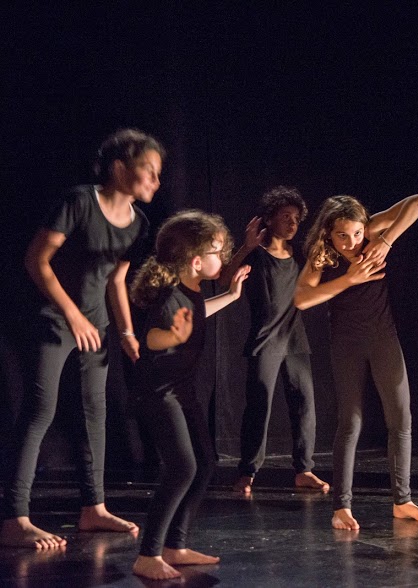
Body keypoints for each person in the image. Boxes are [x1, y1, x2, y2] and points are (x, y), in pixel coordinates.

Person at [1, 129, 164, 550]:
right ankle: (15, 517)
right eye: (148, 171)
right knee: (41, 409)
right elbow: (36, 260)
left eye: (158, 174)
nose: (155, 181)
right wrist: (72, 315)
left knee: (96, 411)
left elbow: (117, 279)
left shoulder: (140, 223)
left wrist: (126, 331)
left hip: (96, 325)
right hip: (53, 318)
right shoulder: (79, 202)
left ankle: (94, 508)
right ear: (118, 168)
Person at [294, 193, 418, 531]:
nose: (352, 242)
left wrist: (385, 239)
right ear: (329, 233)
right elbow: (300, 299)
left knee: (401, 417)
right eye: (343, 235)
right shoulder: (322, 254)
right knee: (351, 422)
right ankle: (341, 506)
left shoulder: (372, 233)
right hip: (347, 344)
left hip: (384, 339)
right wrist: (349, 279)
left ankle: (402, 501)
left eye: (356, 233)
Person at [129, 210, 250, 580]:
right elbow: (150, 338)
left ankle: (175, 546)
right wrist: (174, 337)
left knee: (205, 464)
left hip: (182, 391)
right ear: (196, 260)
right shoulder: (169, 297)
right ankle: (147, 554)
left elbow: (198, 313)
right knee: (182, 466)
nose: (224, 257)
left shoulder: (193, 292)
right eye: (217, 251)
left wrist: (230, 296)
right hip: (159, 392)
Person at [220, 187, 329, 495]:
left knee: (305, 404)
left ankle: (303, 469)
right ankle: (248, 472)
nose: (293, 223)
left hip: (295, 339)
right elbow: (224, 280)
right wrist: (245, 246)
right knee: (259, 406)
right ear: (268, 219)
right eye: (285, 217)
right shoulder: (255, 254)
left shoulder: (301, 256)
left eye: (296, 218)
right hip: (266, 339)